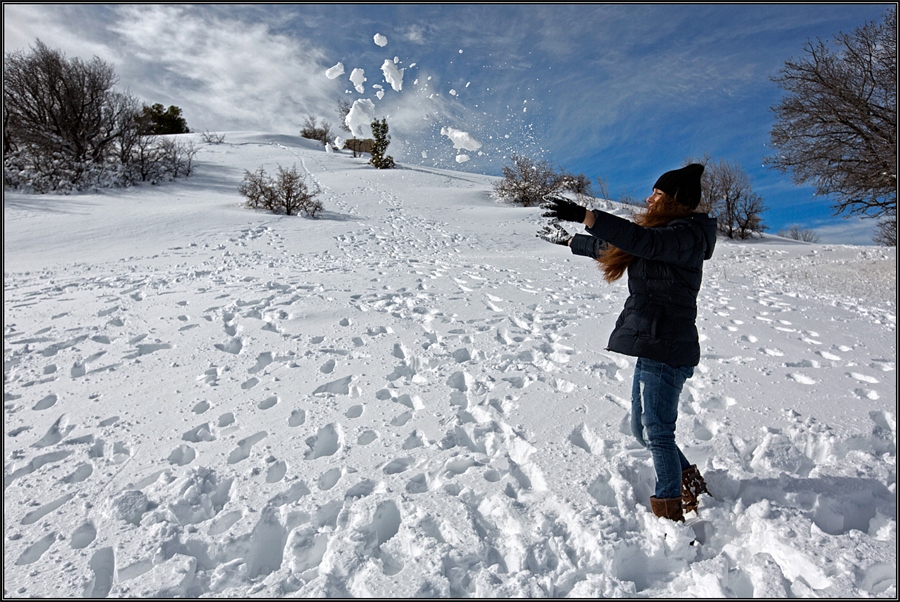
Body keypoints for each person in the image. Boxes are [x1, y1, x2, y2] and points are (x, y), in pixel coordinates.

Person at [540, 164, 715, 522]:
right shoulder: (663, 234)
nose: (649, 199)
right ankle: (691, 483)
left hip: (668, 346)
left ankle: (670, 513)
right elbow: (618, 245)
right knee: (642, 430)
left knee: (658, 432)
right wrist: (570, 240)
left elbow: (642, 242)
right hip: (653, 345)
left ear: (675, 201)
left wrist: (587, 215)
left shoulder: (686, 236)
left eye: (658, 194)